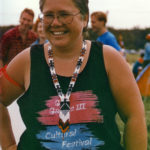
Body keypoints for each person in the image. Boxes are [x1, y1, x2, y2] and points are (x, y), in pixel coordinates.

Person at [0, 0, 147, 149]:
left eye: (64, 15)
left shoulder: (109, 60)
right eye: (49, 15)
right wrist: (8, 145)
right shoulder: (28, 60)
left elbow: (134, 117)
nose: (55, 23)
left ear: (84, 18)